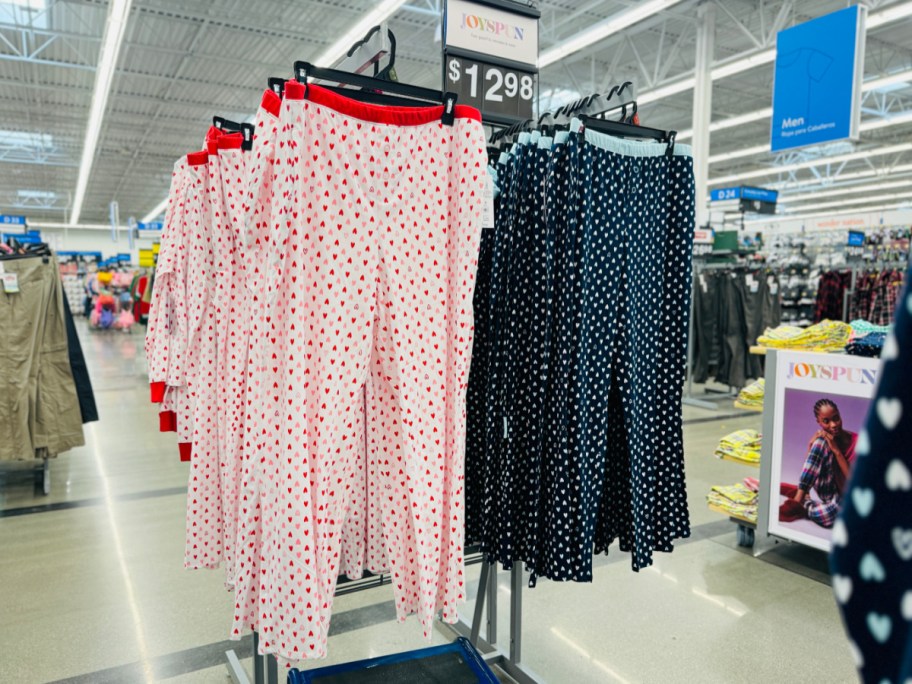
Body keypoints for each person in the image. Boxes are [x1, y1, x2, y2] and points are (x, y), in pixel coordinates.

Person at [779, 398, 858, 528]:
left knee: (828, 516)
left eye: (836, 418)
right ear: (819, 422)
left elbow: (853, 482)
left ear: (840, 414)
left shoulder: (856, 441)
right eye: (826, 421)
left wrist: (836, 451)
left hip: (845, 497)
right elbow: (810, 467)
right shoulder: (825, 439)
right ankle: (798, 500)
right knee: (820, 441)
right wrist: (811, 446)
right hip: (827, 489)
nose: (833, 425)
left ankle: (806, 503)